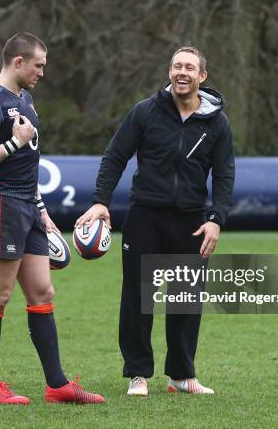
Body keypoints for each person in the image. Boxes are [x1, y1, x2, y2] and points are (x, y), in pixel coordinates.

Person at [76, 46, 235, 397]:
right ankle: (138, 374)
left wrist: (215, 219)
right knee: (138, 298)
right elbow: (115, 156)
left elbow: (224, 175)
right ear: (169, 72)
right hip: (145, 215)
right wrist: (101, 201)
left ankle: (181, 375)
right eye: (177, 66)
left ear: (202, 77)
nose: (182, 72)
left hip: (192, 221)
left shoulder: (217, 123)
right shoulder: (145, 112)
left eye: (190, 68)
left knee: (186, 300)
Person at [0, 32, 104, 405]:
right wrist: (12, 143)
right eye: (38, 65)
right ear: (18, 61)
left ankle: (57, 385)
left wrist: (40, 209)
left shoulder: (26, 100)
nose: (42, 72)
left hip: (26, 205)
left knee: (43, 291)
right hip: (0, 205)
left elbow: (28, 164)